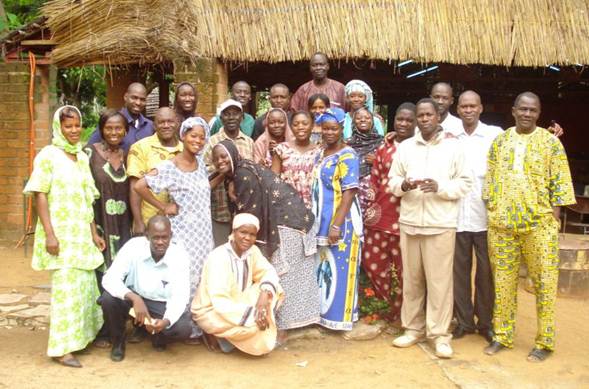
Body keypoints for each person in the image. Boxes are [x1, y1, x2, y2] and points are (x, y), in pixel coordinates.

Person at [483, 92, 575, 362]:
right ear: (513, 111)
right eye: (522, 109)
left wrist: (552, 217)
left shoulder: (550, 143)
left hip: (539, 226)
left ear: (539, 112)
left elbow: (560, 181)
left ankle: (544, 342)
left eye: (532, 110)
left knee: (545, 284)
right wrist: (494, 208)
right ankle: (502, 335)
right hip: (502, 226)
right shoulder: (500, 142)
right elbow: (489, 179)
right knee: (503, 283)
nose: (527, 114)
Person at [211, 140, 319, 341]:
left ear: (233, 154)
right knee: (284, 272)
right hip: (291, 219)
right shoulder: (241, 170)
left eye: (224, 156)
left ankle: (282, 328)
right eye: (216, 158)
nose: (220, 161)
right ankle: (289, 324)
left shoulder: (243, 174)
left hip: (287, 223)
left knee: (281, 272)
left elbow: (250, 214)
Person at [389, 98, 472, 359]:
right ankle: (413, 329)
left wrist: (441, 188)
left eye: (429, 115)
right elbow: (392, 180)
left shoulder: (453, 147)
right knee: (412, 281)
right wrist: (405, 185)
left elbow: (465, 183)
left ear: (438, 117)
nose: (424, 119)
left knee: (439, 283)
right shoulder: (405, 147)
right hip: (411, 222)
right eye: (420, 115)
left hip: (440, 223)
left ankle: (439, 335)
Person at [23, 106, 106, 368]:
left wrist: (94, 233)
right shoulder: (48, 155)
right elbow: (39, 194)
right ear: (59, 127)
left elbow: (86, 199)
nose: (74, 131)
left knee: (84, 289)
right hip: (60, 234)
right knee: (65, 292)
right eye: (68, 126)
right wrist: (49, 234)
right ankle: (61, 349)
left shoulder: (80, 156)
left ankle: (80, 340)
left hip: (81, 234)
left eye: (77, 126)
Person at [134, 117, 214, 298]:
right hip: (184, 235)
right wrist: (163, 206)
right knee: (183, 278)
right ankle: (179, 321)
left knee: (203, 279)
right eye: (194, 136)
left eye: (202, 138)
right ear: (184, 136)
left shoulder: (200, 163)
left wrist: (223, 176)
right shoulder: (171, 166)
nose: (198, 141)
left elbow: (202, 190)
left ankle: (198, 321)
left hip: (203, 235)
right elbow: (139, 186)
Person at [100, 216, 194, 361]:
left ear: (171, 236)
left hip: (159, 303)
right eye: (155, 238)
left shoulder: (180, 256)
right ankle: (118, 341)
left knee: (183, 327)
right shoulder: (133, 247)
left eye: (165, 237)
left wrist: (166, 321)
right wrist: (134, 298)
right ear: (147, 236)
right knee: (108, 299)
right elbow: (109, 278)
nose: (160, 242)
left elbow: (180, 296)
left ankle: (157, 334)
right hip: (134, 299)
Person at [450, 91, 503, 344]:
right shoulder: (450, 137)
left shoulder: (495, 135)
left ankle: (486, 322)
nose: (468, 110)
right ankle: (463, 322)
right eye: (464, 106)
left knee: (485, 273)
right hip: (457, 216)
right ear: (458, 110)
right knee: (459, 272)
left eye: (472, 106)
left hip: (485, 217)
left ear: (480, 108)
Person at [192, 213, 284, 356]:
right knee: (253, 327)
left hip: (237, 303)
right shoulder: (219, 257)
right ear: (233, 232)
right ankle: (216, 335)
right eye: (243, 232)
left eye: (252, 234)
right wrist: (254, 315)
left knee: (275, 289)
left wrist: (264, 294)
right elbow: (220, 302)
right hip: (211, 310)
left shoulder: (252, 251)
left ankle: (228, 340)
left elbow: (268, 272)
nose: (247, 238)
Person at [362, 102, 416, 323]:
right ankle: (384, 305)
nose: (403, 123)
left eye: (408, 120)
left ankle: (404, 312)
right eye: (399, 120)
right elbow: (374, 180)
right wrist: (370, 210)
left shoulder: (419, 148)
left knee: (404, 268)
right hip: (380, 214)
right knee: (372, 260)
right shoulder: (385, 147)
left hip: (406, 215)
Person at [84, 109, 133, 348]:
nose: (114, 132)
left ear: (125, 130)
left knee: (123, 274)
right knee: (100, 275)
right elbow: (84, 192)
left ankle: (122, 324)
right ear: (101, 129)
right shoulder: (89, 154)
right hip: (100, 225)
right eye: (109, 128)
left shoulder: (130, 154)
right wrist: (92, 229)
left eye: (118, 128)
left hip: (125, 226)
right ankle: (102, 329)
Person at [312, 108, 363, 331]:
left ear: (342, 129)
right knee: (324, 267)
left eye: (334, 128)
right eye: (325, 129)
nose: (329, 132)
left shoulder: (348, 155)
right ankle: (323, 316)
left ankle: (341, 319)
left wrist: (336, 224)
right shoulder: (319, 152)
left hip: (342, 221)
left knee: (341, 269)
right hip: (321, 220)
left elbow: (349, 192)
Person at [203, 99, 255, 246]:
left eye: (235, 114)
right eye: (227, 114)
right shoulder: (212, 142)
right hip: (219, 208)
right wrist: (226, 172)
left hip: (244, 206)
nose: (231, 117)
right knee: (220, 248)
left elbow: (253, 170)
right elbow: (205, 171)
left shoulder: (249, 142)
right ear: (221, 118)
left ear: (242, 117)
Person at [127, 107, 183, 236]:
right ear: (154, 125)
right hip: (149, 222)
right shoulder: (140, 147)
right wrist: (138, 221)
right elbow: (134, 187)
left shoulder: (185, 150)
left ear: (177, 123)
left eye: (170, 121)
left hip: (180, 222)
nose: (166, 125)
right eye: (161, 122)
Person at [271, 110, 320, 208]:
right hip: (287, 204)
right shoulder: (282, 149)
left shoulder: (320, 152)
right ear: (291, 127)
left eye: (305, 123)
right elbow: (273, 179)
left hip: (313, 205)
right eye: (296, 124)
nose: (300, 127)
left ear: (312, 126)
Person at [88, 82, 154, 152]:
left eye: (142, 99)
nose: (138, 103)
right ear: (125, 97)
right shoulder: (110, 121)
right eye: (134, 98)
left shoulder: (150, 126)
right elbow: (90, 148)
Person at [346, 107, 384, 214]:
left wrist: (377, 161)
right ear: (353, 122)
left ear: (372, 121)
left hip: (375, 192)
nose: (363, 120)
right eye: (358, 118)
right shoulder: (347, 144)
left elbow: (391, 166)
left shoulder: (382, 142)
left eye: (367, 118)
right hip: (352, 191)